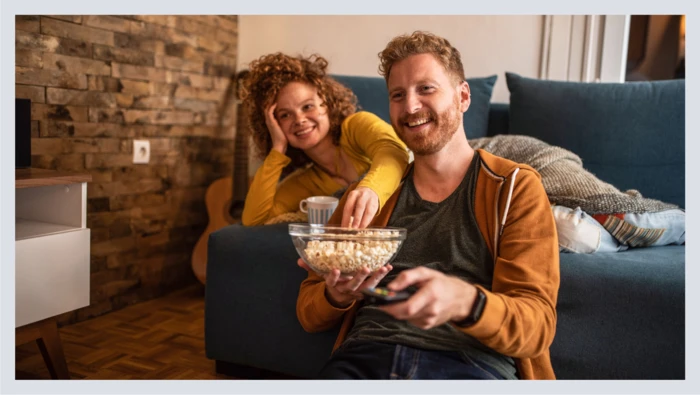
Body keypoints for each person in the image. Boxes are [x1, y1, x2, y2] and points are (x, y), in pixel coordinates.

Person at [295, 31, 560, 380]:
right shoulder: (368, 196)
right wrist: (336, 293)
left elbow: (536, 324)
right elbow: (308, 312)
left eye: (426, 89)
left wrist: (467, 301)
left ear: (463, 96)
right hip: (366, 356)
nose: (410, 106)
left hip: (470, 364)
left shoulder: (514, 188)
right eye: (398, 95)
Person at [239, 53, 410, 228]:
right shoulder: (303, 182)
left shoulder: (356, 125)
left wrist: (370, 190)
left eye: (307, 106)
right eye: (285, 115)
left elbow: (394, 151)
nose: (299, 119)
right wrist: (278, 148)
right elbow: (254, 220)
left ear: (327, 103)